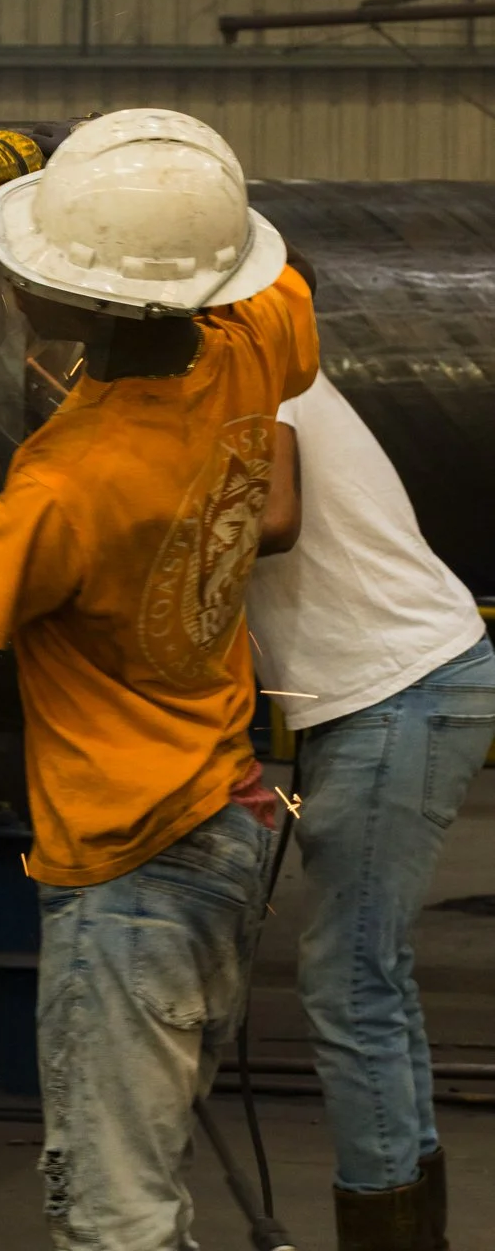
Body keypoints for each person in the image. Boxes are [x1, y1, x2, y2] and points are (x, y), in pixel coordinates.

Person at [0, 107, 319, 1251]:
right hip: (221, 818)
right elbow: (276, 268)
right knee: (146, 1179)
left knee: (113, 1216)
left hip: (131, 867)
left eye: (35, 251)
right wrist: (34, 154)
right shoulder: (246, 333)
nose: (10, 264)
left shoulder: (73, 482)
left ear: (82, 301)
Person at [251, 367, 495, 1251]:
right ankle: (409, 1224)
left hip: (398, 692)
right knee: (372, 977)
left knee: (350, 984)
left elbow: (274, 522)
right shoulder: (244, 373)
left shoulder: (257, 374)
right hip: (390, 694)